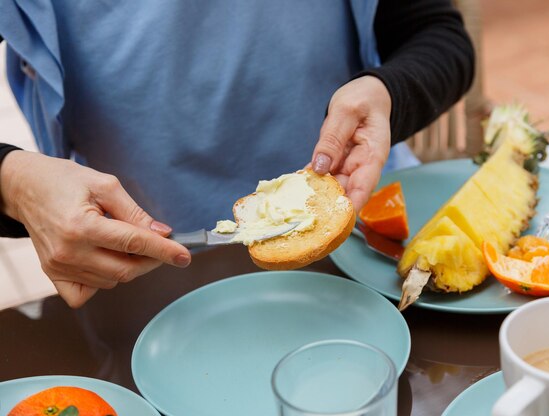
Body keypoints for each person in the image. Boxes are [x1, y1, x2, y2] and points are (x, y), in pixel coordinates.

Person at [0, 0, 474, 308]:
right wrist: (13, 182)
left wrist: (388, 91)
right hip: (151, 292)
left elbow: (439, 36)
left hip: (372, 254)